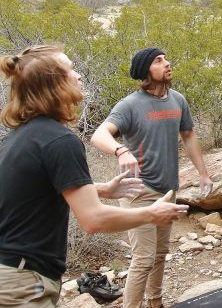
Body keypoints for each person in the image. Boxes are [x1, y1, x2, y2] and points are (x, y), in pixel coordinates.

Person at [0, 45, 187, 308]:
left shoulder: (21, 136)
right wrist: (151, 213)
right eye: (71, 69)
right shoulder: (59, 140)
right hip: (23, 280)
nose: (78, 76)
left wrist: (99, 189)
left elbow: (33, 190)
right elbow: (94, 220)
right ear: (53, 84)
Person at [90, 48, 212, 308]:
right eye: (159, 61)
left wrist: (203, 173)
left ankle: (155, 303)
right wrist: (120, 149)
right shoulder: (130, 105)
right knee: (143, 259)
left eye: (166, 58)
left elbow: (188, 135)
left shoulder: (177, 100)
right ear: (146, 70)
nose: (167, 63)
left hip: (168, 190)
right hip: (139, 192)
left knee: (159, 254)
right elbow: (99, 135)